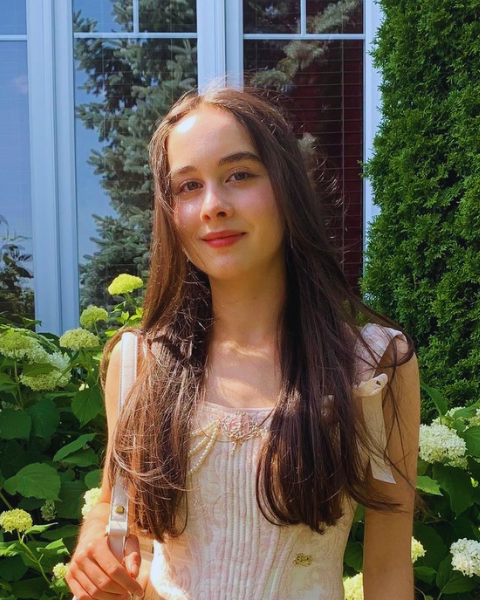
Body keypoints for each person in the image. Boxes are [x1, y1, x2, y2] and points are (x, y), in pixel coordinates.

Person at [66, 84, 421, 600]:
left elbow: (388, 568)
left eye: (239, 175)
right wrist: (96, 541)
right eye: (188, 186)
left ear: (286, 187)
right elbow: (121, 517)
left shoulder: (374, 365)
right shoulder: (139, 362)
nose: (212, 206)